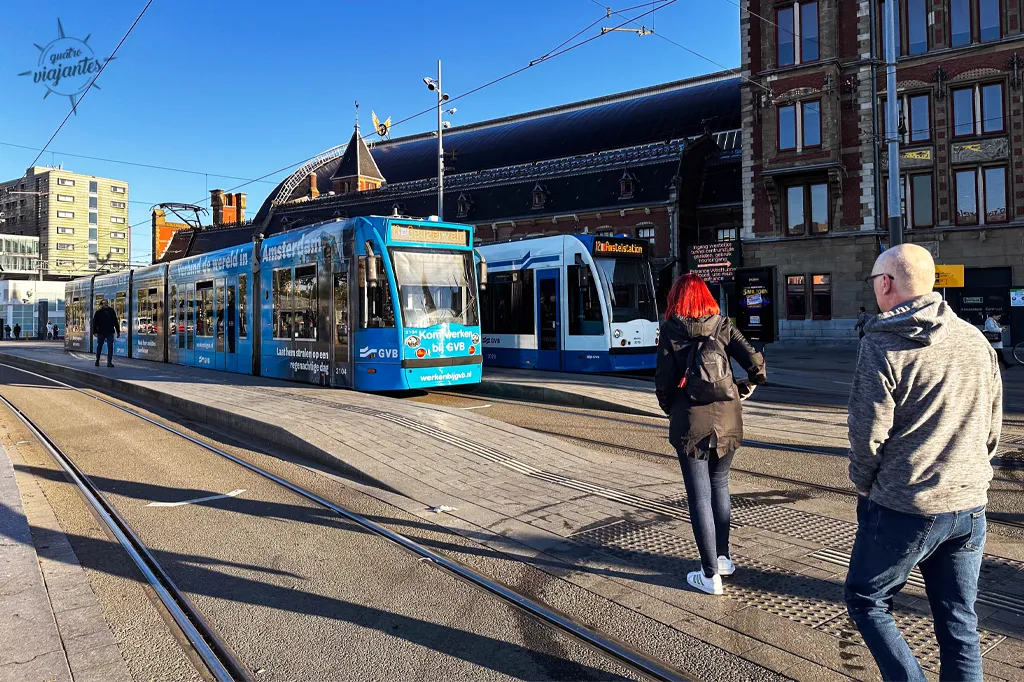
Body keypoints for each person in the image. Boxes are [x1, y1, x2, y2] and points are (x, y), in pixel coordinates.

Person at [845, 244, 1002, 682]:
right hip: (970, 506)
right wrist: (969, 476)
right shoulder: (975, 340)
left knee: (866, 598)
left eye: (874, 279)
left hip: (907, 504)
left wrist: (863, 485)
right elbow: (992, 428)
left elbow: (866, 435)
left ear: (887, 283)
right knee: (959, 621)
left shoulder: (882, 344)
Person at [654, 274, 766, 596]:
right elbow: (756, 363)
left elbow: (663, 381)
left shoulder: (671, 330)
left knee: (699, 496)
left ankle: (709, 575)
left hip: (690, 420)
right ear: (706, 297)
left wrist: (672, 408)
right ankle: (724, 558)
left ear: (676, 298)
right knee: (720, 485)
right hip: (728, 417)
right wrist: (745, 388)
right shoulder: (722, 325)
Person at [91, 299, 120, 367]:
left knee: (110, 347)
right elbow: (94, 323)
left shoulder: (111, 311)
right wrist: (94, 332)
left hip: (110, 332)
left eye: (106, 303)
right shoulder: (98, 312)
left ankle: (109, 362)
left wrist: (118, 331)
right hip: (101, 332)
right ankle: (97, 360)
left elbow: (115, 321)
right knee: (99, 346)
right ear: (101, 305)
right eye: (104, 303)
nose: (106, 304)